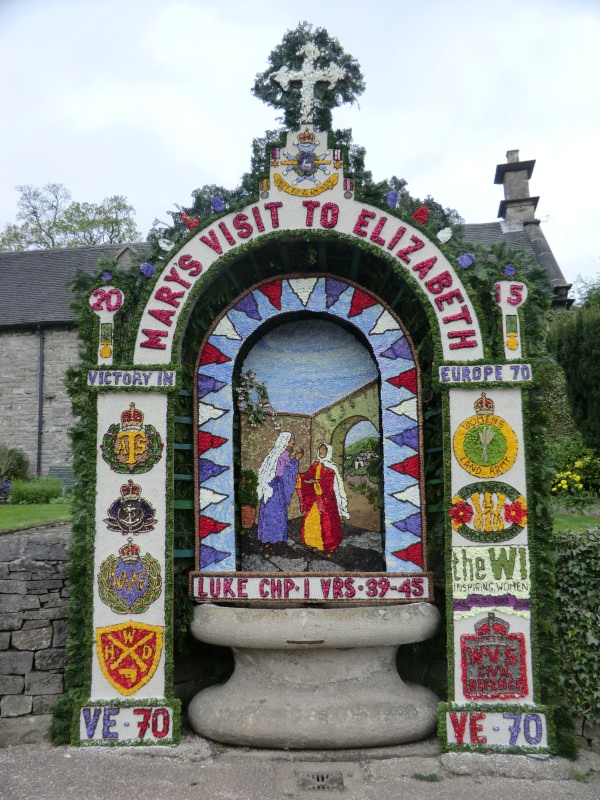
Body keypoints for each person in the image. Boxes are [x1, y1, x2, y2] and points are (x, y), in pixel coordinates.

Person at [296, 442, 350, 553]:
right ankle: (311, 541)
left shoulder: (331, 467)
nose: (321, 451)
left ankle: (329, 547)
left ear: (328, 451)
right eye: (320, 449)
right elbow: (309, 474)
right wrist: (301, 477)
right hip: (317, 498)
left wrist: (316, 482)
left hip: (327, 499)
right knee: (311, 519)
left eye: (324, 449)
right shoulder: (316, 464)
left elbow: (328, 482)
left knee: (327, 523)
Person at [256, 432, 302, 545]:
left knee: (269, 513)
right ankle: (275, 539)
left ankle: (266, 539)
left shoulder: (276, 453)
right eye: (292, 440)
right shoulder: (283, 455)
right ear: (286, 441)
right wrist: (296, 460)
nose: (293, 443)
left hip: (270, 488)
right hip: (275, 489)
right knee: (277, 513)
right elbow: (285, 473)